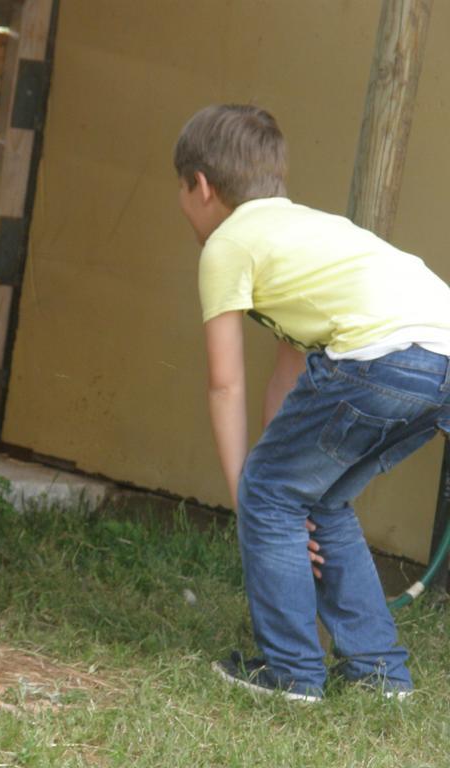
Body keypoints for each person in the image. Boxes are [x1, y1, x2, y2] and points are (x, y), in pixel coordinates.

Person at [174, 103, 450, 702]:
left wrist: (253, 498)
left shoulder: (227, 245)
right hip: (439, 362)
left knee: (269, 492)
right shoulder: (306, 231)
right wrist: (282, 488)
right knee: (320, 497)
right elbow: (290, 374)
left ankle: (292, 673)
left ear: (199, 186)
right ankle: (381, 676)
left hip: (380, 357)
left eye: (181, 190)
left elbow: (225, 383)